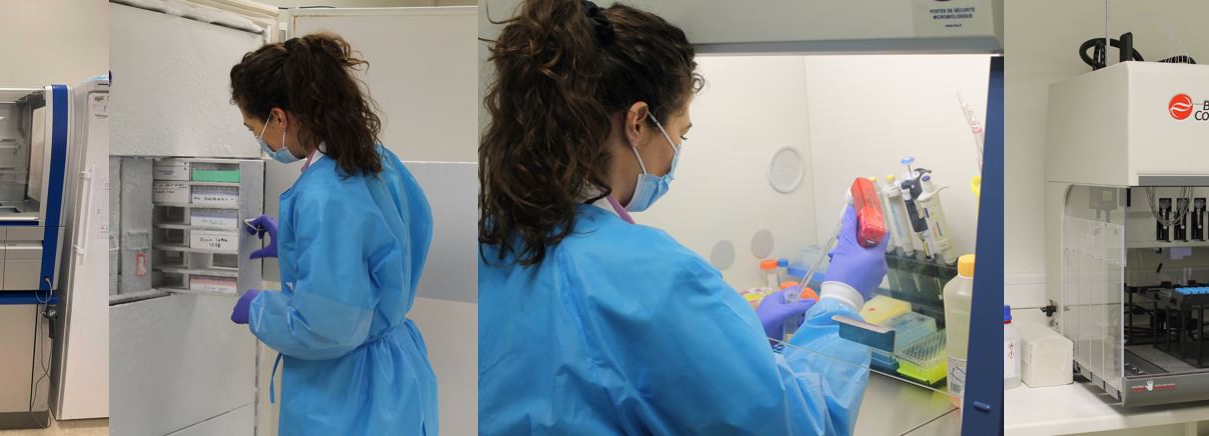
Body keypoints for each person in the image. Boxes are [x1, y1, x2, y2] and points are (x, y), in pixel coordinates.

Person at [477, 1, 885, 434]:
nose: (676, 151)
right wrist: (840, 302)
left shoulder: (495, 237)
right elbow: (801, 425)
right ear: (637, 122)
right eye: (680, 133)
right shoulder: (652, 277)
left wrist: (739, 340)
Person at [225, 32, 438, 435]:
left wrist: (259, 309)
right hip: (397, 373)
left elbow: (324, 328)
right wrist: (297, 248)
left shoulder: (322, 197)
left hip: (347, 394)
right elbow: (397, 242)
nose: (259, 141)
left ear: (279, 118)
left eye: (254, 129)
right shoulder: (375, 160)